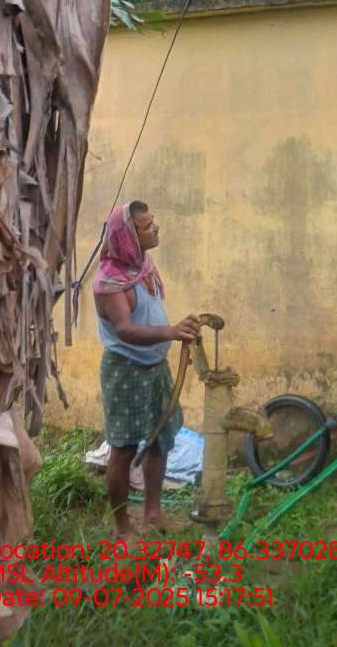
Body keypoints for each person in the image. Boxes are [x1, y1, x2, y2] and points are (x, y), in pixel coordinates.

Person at [93, 201, 200, 536]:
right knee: (124, 449)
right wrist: (171, 331)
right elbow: (125, 330)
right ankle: (121, 526)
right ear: (128, 237)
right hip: (126, 371)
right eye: (147, 226)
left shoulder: (143, 266)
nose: (155, 229)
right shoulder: (110, 283)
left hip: (156, 368)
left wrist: (178, 332)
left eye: (154, 222)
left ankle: (152, 512)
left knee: (160, 439)